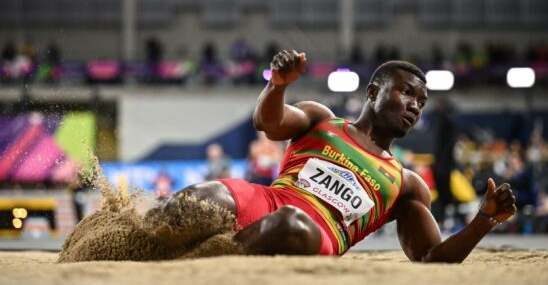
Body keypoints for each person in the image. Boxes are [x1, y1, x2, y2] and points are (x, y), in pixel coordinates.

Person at [150, 50, 517, 261]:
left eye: (421, 103)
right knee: (200, 198)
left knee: (291, 223)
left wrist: (484, 220)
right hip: (270, 199)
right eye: (406, 93)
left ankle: (196, 265)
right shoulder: (321, 119)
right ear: (373, 91)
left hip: (317, 233)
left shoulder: (407, 184)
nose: (414, 106)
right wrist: (277, 85)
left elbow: (431, 258)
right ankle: (127, 241)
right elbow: (268, 122)